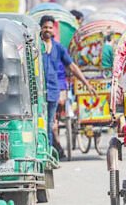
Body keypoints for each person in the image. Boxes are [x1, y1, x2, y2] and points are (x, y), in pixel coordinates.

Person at [39, 15, 95, 158]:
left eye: (50, 27)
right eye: (45, 27)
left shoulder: (58, 48)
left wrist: (86, 83)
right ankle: (41, 152)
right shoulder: (35, 46)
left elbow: (72, 67)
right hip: (36, 93)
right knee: (40, 123)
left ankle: (48, 154)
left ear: (53, 30)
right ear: (40, 28)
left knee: (50, 123)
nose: (47, 30)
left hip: (52, 91)